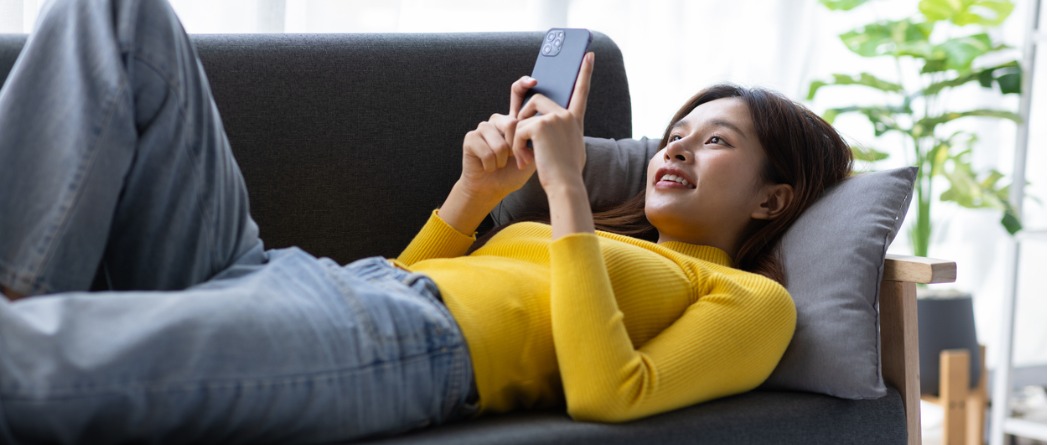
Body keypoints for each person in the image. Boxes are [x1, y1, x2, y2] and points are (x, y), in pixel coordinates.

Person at [0, 0, 853, 443]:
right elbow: (411, 277)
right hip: (320, 285)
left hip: (402, 347)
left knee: (28, 361)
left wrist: (567, 191)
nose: (675, 150)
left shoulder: (748, 300)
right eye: (674, 135)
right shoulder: (609, 247)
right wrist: (473, 196)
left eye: (714, 143)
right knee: (118, 18)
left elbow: (609, 394)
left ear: (772, 197)